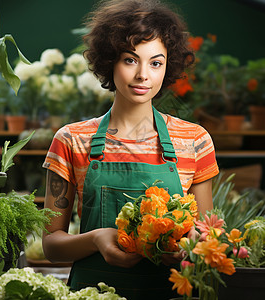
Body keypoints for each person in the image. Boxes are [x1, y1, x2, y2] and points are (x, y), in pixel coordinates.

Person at [42, 0, 219, 299]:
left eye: (155, 62)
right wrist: (97, 239)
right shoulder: (72, 140)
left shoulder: (194, 140)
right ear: (109, 61)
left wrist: (190, 243)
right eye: (130, 60)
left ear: (168, 66)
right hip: (95, 293)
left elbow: (207, 234)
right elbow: (51, 246)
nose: (143, 75)